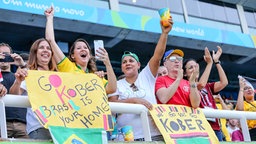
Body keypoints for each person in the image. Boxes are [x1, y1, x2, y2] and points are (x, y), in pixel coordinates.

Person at [108, 15, 173, 141]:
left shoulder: (147, 76)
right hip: (128, 139)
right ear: (121, 68)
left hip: (154, 135)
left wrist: (164, 33)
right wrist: (133, 100)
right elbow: (111, 104)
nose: (127, 63)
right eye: (124, 62)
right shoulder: (117, 84)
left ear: (138, 65)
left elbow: (157, 55)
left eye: (131, 61)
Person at [45, 6, 116, 94]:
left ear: (89, 55)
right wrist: (49, 18)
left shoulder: (95, 76)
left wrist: (108, 63)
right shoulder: (67, 66)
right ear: (72, 55)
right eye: (78, 48)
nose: (83, 49)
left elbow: (112, 89)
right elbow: (50, 40)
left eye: (85, 48)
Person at [9, 38, 57, 140]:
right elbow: (14, 95)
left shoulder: (59, 75)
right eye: (41, 48)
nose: (45, 50)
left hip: (60, 127)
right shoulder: (29, 73)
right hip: (40, 127)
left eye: (48, 48)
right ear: (35, 52)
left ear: (52, 53)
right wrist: (18, 81)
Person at [182, 46, 228, 141]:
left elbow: (224, 82)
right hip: (200, 127)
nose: (194, 69)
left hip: (215, 127)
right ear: (185, 74)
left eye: (196, 66)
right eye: (191, 68)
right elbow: (201, 84)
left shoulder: (208, 86)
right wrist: (209, 63)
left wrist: (216, 62)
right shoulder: (185, 85)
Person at [0, 42, 28, 138]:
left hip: (23, 125)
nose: (3, 57)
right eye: (0, 54)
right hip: (1, 124)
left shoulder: (19, 76)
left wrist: (22, 64)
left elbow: (33, 81)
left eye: (6, 54)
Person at [236, 76, 256, 141]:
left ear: (254, 91)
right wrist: (241, 88)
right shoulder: (242, 103)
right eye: (246, 89)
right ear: (243, 94)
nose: (249, 90)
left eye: (250, 88)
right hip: (248, 132)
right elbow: (239, 110)